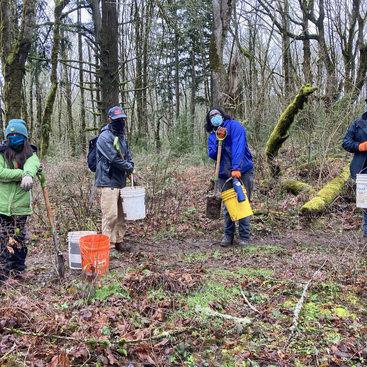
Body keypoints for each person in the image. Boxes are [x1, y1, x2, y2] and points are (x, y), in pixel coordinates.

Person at [205, 107, 254, 246]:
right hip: (223, 175)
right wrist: (218, 140)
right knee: (228, 206)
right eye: (211, 116)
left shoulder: (235, 126)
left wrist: (236, 168)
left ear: (223, 116)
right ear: (210, 121)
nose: (215, 117)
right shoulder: (212, 136)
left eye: (217, 114)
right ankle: (228, 236)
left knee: (242, 202)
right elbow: (213, 155)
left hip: (242, 171)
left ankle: (244, 237)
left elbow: (238, 146)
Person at [0, 119, 40, 282]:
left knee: (19, 239)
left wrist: (29, 173)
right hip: (2, 208)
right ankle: (3, 275)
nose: (14, 138)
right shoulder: (1, 153)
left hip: (21, 208)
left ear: (24, 138)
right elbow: (1, 173)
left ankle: (18, 270)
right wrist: (21, 174)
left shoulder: (30, 154)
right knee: (3, 240)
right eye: (12, 135)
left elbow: (33, 164)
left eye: (18, 135)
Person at [94, 106, 134, 251]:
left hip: (121, 181)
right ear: (110, 120)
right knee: (110, 215)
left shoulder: (122, 136)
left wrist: (130, 165)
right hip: (108, 180)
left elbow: (127, 155)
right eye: (117, 120)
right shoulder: (104, 137)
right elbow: (113, 158)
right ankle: (108, 245)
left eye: (122, 119)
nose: (120, 122)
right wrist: (127, 166)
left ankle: (119, 241)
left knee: (121, 215)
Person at [342, 98, 367, 237]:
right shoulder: (358, 124)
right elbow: (346, 143)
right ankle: (366, 234)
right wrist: (360, 146)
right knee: (365, 204)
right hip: (362, 170)